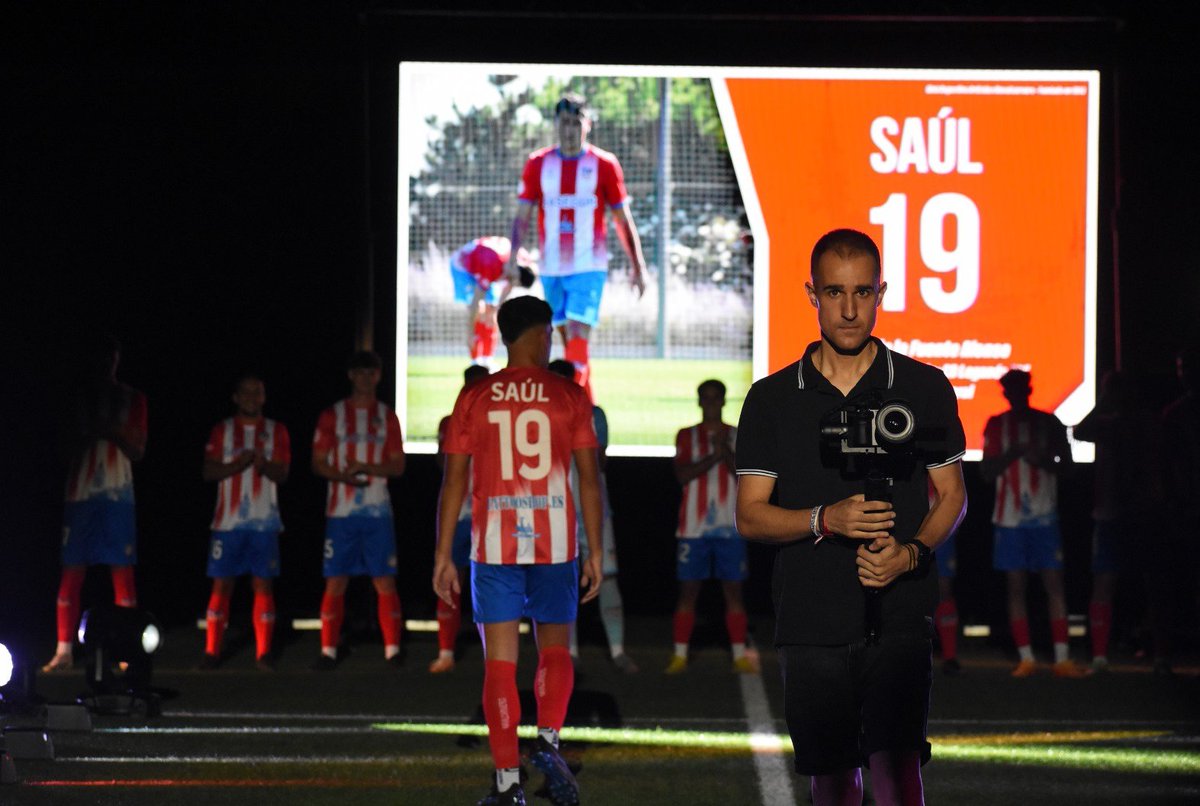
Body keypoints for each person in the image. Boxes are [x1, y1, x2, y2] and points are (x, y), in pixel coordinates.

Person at [735, 229, 967, 806]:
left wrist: (910, 553)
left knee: (898, 773)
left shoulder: (923, 387)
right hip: (811, 616)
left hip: (900, 613)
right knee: (833, 780)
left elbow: (953, 495)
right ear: (811, 294)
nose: (848, 308)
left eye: (862, 292)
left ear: (881, 292)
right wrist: (824, 520)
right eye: (834, 292)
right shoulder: (772, 399)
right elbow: (750, 517)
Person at [434, 296, 603, 806]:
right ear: (536, 333)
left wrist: (443, 554)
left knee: (501, 666)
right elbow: (589, 482)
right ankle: (548, 744)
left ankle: (509, 782)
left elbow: (454, 482)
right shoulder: (569, 395)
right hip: (553, 542)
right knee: (554, 647)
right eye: (549, 329)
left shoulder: (475, 397)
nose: (552, 337)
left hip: (494, 545)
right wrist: (594, 550)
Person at [505, 92, 648, 401]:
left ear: (588, 124)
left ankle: (568, 410)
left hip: (589, 266)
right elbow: (522, 216)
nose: (570, 129)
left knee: (578, 334)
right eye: (564, 122)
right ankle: (588, 408)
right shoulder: (538, 163)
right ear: (556, 124)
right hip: (552, 267)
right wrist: (512, 255)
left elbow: (623, 219)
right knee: (568, 341)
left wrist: (639, 267)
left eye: (576, 122)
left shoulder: (604, 164)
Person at [44, 336, 147, 672]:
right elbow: (61, 448)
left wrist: (111, 430)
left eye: (111, 356)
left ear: (117, 359)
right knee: (72, 572)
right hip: (80, 496)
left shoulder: (133, 398)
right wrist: (92, 432)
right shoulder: (75, 399)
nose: (106, 363)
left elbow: (138, 449)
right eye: (99, 356)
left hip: (118, 496)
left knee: (122, 574)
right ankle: (64, 650)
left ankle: (126, 651)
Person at [982, 369, 1089, 678]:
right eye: (1009, 389)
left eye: (1018, 388)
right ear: (1005, 393)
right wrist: (1010, 455)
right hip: (1009, 519)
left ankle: (1062, 658)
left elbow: (1068, 469)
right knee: (1016, 586)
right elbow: (986, 473)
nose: (1014, 393)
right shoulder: (996, 424)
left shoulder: (1049, 423)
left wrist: (1041, 459)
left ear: (1027, 389)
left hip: (1045, 517)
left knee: (1054, 585)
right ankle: (1026, 658)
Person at [310, 350, 407, 670]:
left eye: (371, 373)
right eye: (360, 372)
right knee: (336, 581)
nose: (366, 378)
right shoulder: (332, 415)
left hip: (378, 513)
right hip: (341, 514)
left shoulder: (387, 415)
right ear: (351, 375)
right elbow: (318, 462)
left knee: (385, 581)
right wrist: (344, 475)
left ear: (378, 376)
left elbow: (398, 465)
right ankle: (328, 650)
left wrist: (367, 466)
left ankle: (393, 650)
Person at [547, 359, 637, 673]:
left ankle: (618, 651)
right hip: (555, 506)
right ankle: (568, 652)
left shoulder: (593, 414)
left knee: (607, 576)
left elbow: (598, 462)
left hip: (594, 507)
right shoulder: (538, 417)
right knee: (563, 577)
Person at [198, 373, 291, 671]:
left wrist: (264, 466)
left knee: (263, 585)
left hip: (264, 523)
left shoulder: (277, 431)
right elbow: (208, 472)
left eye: (258, 392)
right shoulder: (221, 430)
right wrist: (237, 465)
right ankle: (212, 651)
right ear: (236, 397)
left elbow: (283, 474)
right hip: (227, 523)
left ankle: (263, 653)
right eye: (246, 392)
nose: (252, 396)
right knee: (222, 586)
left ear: (264, 397)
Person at [665, 379, 755, 675]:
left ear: (724, 401)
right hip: (693, 529)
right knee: (688, 592)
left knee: (734, 593)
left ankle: (739, 654)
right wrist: (713, 455)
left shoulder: (738, 435)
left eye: (717, 398)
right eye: (707, 398)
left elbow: (744, 477)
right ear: (700, 401)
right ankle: (679, 655)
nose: (712, 403)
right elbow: (681, 475)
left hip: (731, 528)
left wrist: (724, 452)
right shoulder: (686, 436)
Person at [430, 363, 492, 674]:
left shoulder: (498, 421)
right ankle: (446, 652)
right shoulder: (451, 423)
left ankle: (492, 654)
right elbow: (447, 468)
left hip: (489, 515)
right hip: (458, 516)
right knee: (449, 582)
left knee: (488, 585)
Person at [450, 236, 537, 370]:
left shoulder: (521, 261)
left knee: (491, 312)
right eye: (512, 280)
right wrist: (469, 333)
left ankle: (487, 359)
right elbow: (474, 304)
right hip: (464, 268)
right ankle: (476, 361)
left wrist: (497, 309)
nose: (511, 283)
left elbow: (509, 285)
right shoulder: (490, 263)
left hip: (488, 264)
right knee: (479, 310)